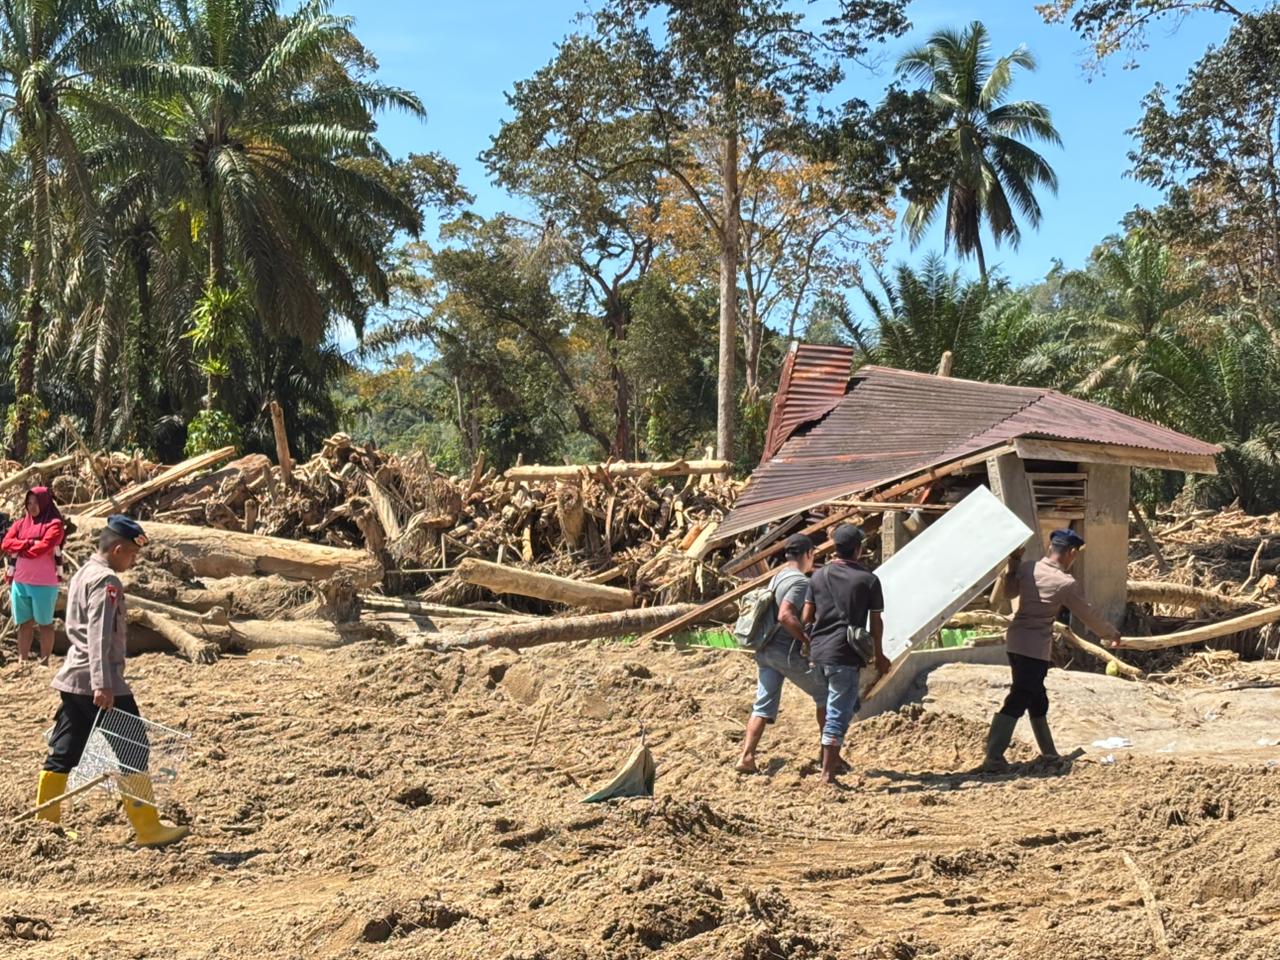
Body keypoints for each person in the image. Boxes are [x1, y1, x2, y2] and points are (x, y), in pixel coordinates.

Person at [33, 515, 189, 848]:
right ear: (118, 549)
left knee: (65, 750)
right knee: (133, 746)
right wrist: (102, 684)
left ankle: (45, 824)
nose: (133, 561)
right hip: (98, 681)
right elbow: (99, 636)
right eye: (132, 554)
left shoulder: (82, 573)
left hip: (73, 679)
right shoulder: (107, 581)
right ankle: (148, 828)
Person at [982, 528, 1122, 772]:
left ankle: (1049, 753)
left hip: (1015, 641)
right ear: (1071, 553)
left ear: (1050, 548)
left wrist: (1014, 562)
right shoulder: (1065, 583)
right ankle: (993, 756)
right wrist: (1110, 633)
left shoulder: (1028, 568)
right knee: (1019, 697)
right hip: (1034, 647)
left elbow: (1008, 592)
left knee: (1037, 697)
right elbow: (1086, 613)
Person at [804, 523, 890, 784]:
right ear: (858, 549)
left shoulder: (817, 577)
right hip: (845, 654)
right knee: (838, 714)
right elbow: (876, 623)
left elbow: (806, 617)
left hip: (818, 655)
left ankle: (830, 761)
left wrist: (812, 644)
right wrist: (879, 655)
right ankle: (827, 775)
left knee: (841, 705)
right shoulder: (868, 580)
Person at [735, 534, 829, 774]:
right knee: (824, 694)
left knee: (762, 705)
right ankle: (826, 755)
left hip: (765, 650)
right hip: (784, 653)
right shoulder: (800, 583)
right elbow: (785, 615)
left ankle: (747, 757)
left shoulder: (779, 576)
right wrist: (806, 641)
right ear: (808, 554)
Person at [2, 487, 66, 664]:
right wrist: (29, 543)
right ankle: (22, 660)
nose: (32, 507)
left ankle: (44, 662)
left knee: (45, 624)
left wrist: (21, 546)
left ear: (44, 503)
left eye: (36, 502)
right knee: (24, 624)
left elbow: (44, 547)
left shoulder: (54, 524)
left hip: (44, 584)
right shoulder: (21, 524)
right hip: (20, 582)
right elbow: (6, 543)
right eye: (29, 503)